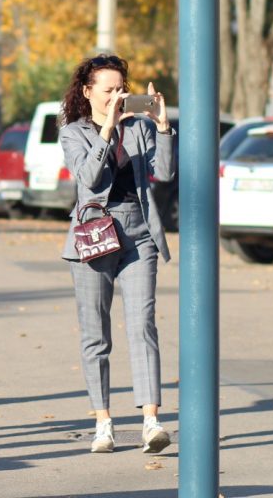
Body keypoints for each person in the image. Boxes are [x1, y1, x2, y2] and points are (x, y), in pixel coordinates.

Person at [59, 54, 175, 455]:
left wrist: (162, 127)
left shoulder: (140, 127)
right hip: (94, 233)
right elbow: (89, 178)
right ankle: (103, 423)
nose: (116, 97)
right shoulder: (73, 132)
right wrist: (107, 130)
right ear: (88, 91)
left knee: (143, 324)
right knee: (96, 334)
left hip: (139, 232)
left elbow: (165, 173)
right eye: (108, 90)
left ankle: (151, 422)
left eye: (121, 89)